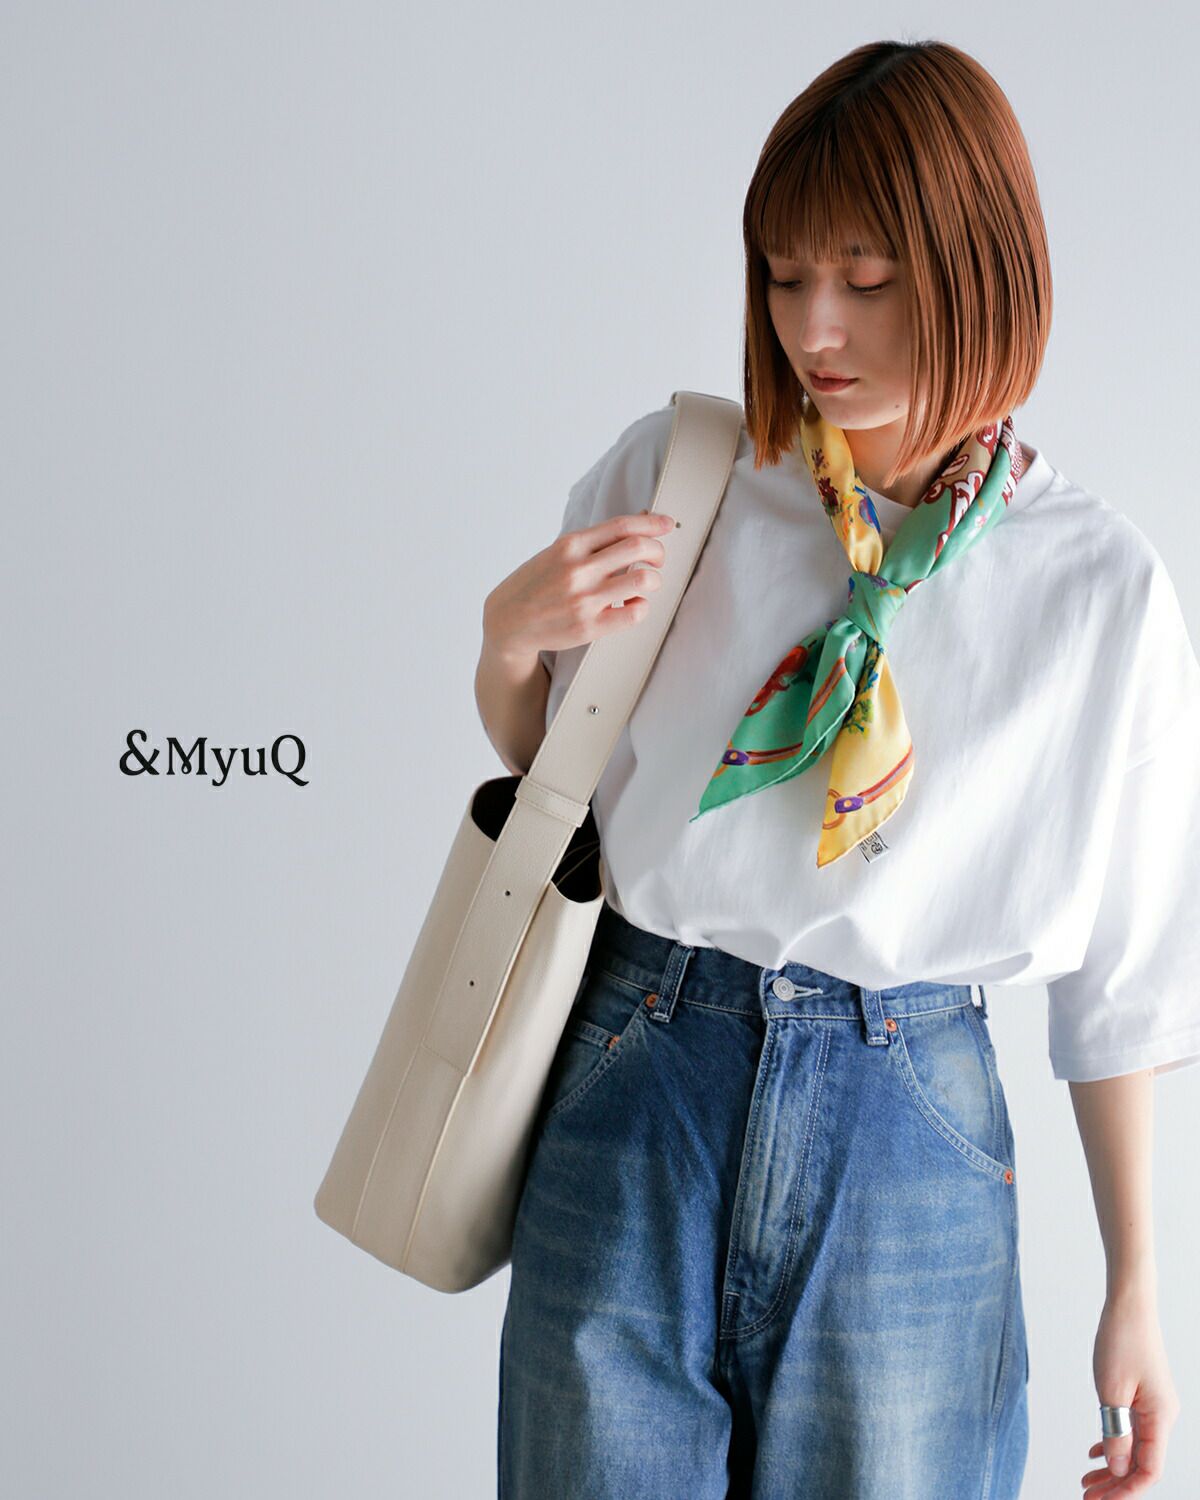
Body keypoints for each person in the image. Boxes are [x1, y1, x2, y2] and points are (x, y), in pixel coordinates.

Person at [475, 37, 1195, 1499]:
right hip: (640, 1068)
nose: (817, 327)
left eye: (867, 281)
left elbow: (1122, 977)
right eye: (785, 275)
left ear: (979, 272)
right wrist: (504, 645)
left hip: (907, 1124)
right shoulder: (679, 480)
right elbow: (562, 788)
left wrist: (1137, 1279)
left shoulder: (1097, 587)